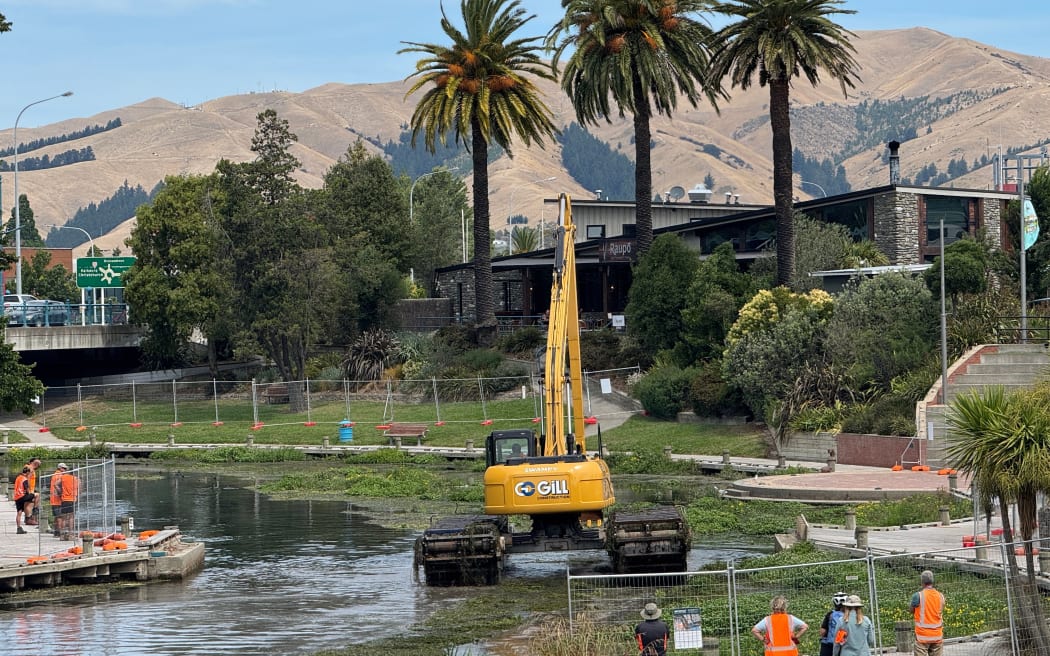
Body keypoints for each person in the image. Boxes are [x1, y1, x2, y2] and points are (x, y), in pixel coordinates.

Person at [910, 570, 945, 656]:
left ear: (922, 582)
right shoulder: (941, 596)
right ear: (932, 581)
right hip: (937, 635)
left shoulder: (918, 596)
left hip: (922, 637)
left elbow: (911, 610)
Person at [819, 592, 847, 656]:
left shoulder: (830, 614)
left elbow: (822, 632)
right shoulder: (848, 615)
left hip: (829, 645)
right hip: (843, 645)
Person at [57, 464, 79, 541]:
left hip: (64, 499)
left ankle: (62, 535)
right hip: (72, 499)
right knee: (71, 518)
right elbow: (79, 490)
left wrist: (60, 492)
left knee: (63, 518)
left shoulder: (63, 477)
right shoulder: (76, 479)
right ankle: (70, 534)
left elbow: (56, 485)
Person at [13, 466, 35, 534]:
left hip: (17, 497)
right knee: (36, 495)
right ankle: (35, 509)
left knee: (19, 513)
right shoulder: (24, 479)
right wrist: (31, 493)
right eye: (30, 473)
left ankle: (18, 528)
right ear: (27, 472)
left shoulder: (18, 477)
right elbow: (28, 490)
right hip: (22, 496)